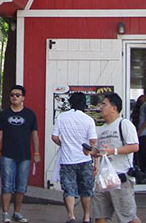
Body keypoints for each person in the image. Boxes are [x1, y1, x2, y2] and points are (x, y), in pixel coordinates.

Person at [89, 92, 142, 223]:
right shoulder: (102, 129)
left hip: (121, 178)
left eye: (104, 104)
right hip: (103, 179)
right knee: (99, 216)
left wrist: (114, 151)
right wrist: (91, 151)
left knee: (128, 217)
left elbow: (134, 146)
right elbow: (99, 151)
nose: (100, 107)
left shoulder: (124, 124)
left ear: (114, 108)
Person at [0, 85, 39, 223]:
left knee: (21, 186)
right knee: (7, 185)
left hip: (24, 156)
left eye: (17, 95)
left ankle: (17, 212)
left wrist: (36, 152)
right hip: (7, 155)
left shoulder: (30, 114)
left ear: (23, 98)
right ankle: (5, 213)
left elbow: (35, 135)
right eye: (12, 95)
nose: (14, 97)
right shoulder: (4, 114)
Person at [51, 92, 97, 223]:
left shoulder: (62, 117)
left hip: (67, 160)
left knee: (69, 189)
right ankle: (86, 217)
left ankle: (71, 216)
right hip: (84, 159)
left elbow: (54, 137)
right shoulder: (88, 120)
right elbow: (93, 140)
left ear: (70, 103)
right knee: (86, 189)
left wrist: (63, 144)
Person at [131, 94, 146, 173]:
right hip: (142, 133)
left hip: (144, 133)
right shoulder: (142, 106)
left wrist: (139, 131)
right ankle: (141, 171)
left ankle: (142, 171)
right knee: (141, 154)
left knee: (142, 154)